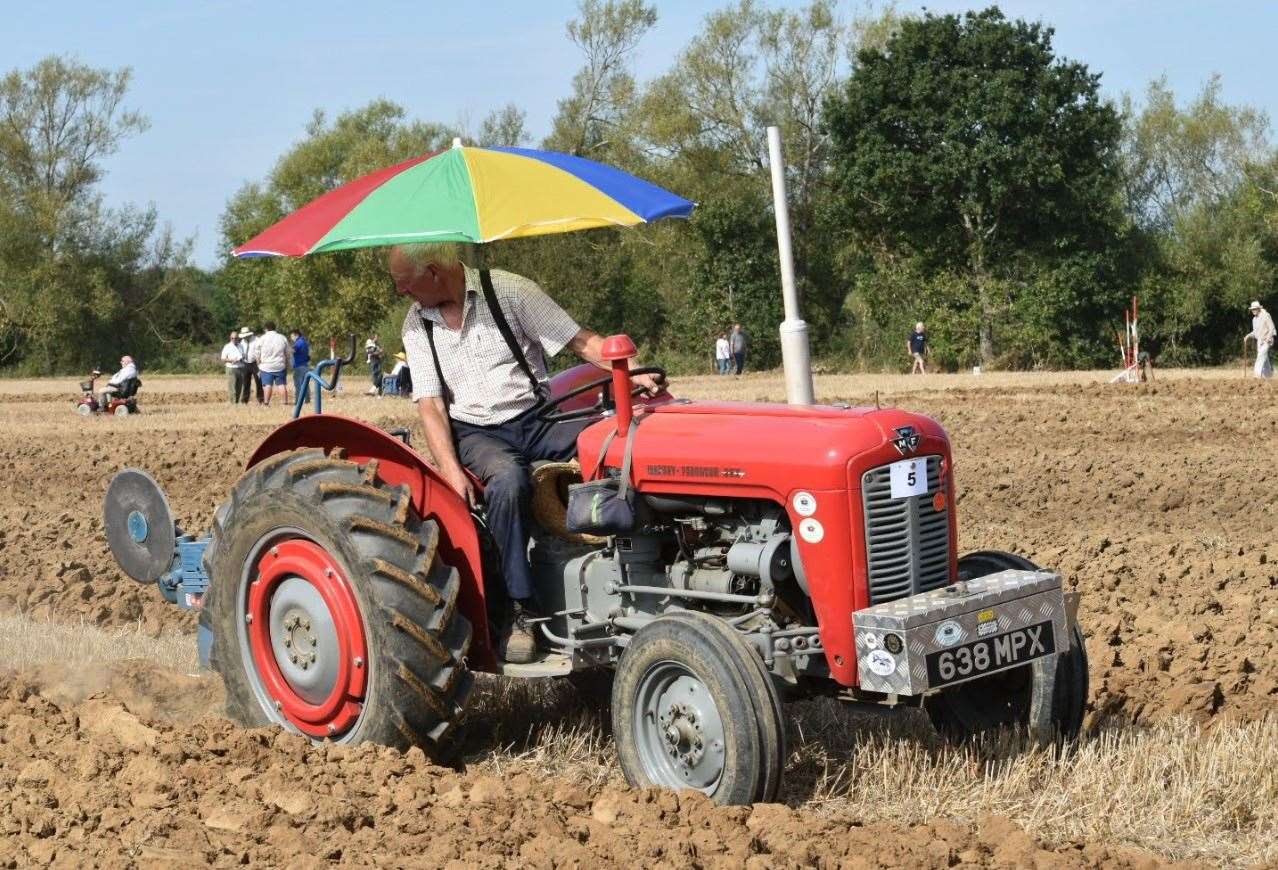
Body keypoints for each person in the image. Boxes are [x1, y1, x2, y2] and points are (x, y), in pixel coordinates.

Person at [392, 241, 665, 663]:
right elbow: (430, 403)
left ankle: (647, 562)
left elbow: (581, 342)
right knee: (508, 482)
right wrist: (449, 467)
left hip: (535, 417)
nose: (403, 295)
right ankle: (521, 610)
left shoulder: (510, 291)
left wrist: (629, 373)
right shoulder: (416, 324)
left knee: (614, 443)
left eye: (406, 286)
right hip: (477, 432)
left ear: (432, 271)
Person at [252, 321, 290, 406]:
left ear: (266, 329)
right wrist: (286, 364)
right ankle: (285, 403)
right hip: (279, 365)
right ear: (274, 327)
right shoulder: (282, 337)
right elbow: (287, 352)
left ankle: (266, 403)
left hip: (266, 366)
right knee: (281, 385)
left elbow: (257, 353)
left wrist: (259, 364)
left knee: (267, 385)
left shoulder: (262, 338)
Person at [1244, 300, 1275, 380]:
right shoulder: (1254, 320)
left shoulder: (1266, 315)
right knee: (1265, 359)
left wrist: (1268, 339)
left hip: (1267, 340)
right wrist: (1248, 336)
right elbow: (1255, 332)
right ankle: (1269, 375)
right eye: (1252, 309)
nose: (1253, 311)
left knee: (1260, 355)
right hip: (1260, 341)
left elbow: (1272, 328)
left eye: (1255, 309)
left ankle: (1257, 375)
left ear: (1258, 308)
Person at [237, 327, 262, 404]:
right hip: (245, 363)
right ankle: (244, 400)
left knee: (259, 382)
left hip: (256, 363)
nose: (244, 337)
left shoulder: (257, 340)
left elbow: (260, 351)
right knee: (246, 382)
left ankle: (261, 399)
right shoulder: (242, 342)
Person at [220, 330, 246, 403]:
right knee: (232, 387)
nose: (234, 339)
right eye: (232, 338)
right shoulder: (227, 346)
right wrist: (231, 360)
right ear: (230, 338)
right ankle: (233, 403)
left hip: (241, 368)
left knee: (239, 387)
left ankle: (237, 402)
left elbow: (244, 355)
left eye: (235, 338)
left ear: (238, 338)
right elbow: (223, 358)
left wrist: (241, 359)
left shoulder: (241, 346)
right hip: (231, 368)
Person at [290, 328, 311, 405]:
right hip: (305, 365)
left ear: (296, 335)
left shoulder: (298, 342)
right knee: (305, 384)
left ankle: (298, 401)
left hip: (299, 366)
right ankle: (307, 399)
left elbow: (293, 350)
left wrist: (287, 350)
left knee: (298, 384)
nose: (291, 338)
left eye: (292, 336)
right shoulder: (305, 342)